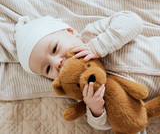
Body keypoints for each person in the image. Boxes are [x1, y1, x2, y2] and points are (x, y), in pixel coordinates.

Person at [15, 12, 159, 133]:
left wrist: (99, 46)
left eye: (54, 49)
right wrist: (96, 109)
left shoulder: (92, 34)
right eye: (48, 68)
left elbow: (133, 21)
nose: (57, 63)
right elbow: (105, 124)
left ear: (71, 32)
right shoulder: (81, 89)